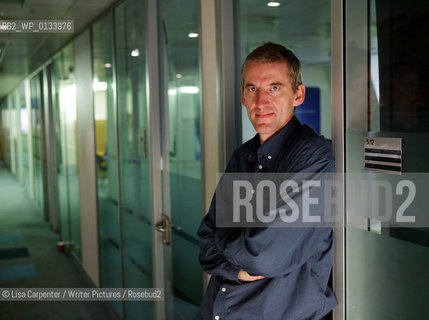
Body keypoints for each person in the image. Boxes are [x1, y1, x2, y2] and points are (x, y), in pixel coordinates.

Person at [197, 42, 337, 320]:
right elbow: (205, 238)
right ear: (243, 96)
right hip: (218, 309)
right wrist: (236, 254)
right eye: (252, 88)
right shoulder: (244, 155)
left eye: (274, 87)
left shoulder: (313, 158)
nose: (261, 101)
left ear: (298, 95)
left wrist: (225, 237)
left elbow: (261, 257)